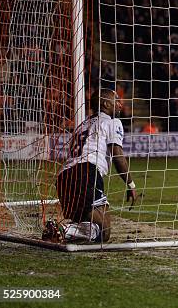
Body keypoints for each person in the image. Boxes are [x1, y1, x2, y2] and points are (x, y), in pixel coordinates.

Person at [46, 89, 137, 243]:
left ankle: (64, 231)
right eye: (117, 101)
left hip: (65, 177)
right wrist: (130, 183)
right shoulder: (111, 121)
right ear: (106, 104)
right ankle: (64, 230)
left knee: (90, 225)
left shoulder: (83, 124)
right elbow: (117, 155)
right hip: (86, 173)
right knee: (104, 232)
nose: (120, 105)